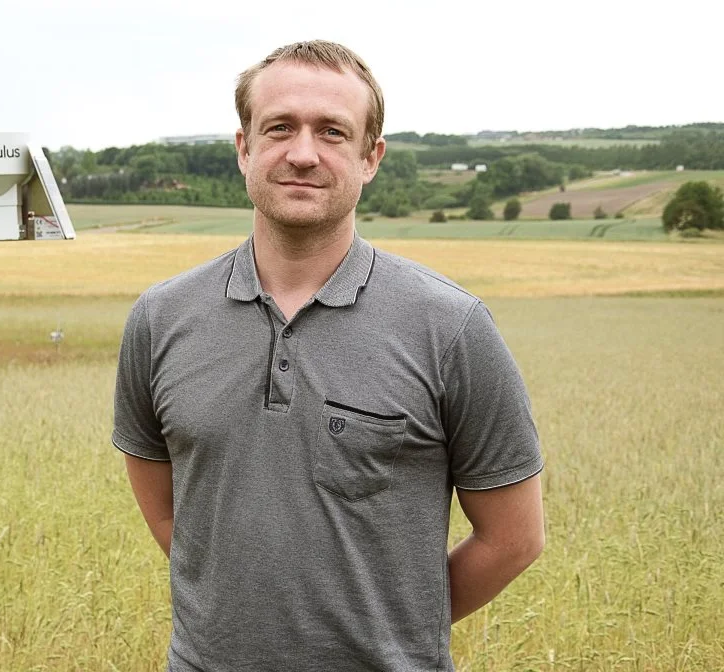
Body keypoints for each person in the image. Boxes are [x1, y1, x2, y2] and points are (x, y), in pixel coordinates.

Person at [112, 40, 545, 671]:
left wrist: (388, 628)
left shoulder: (451, 328)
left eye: (333, 132)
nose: (303, 153)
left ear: (372, 157)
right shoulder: (161, 318)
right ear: (244, 149)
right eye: (279, 127)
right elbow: (168, 511)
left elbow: (514, 539)